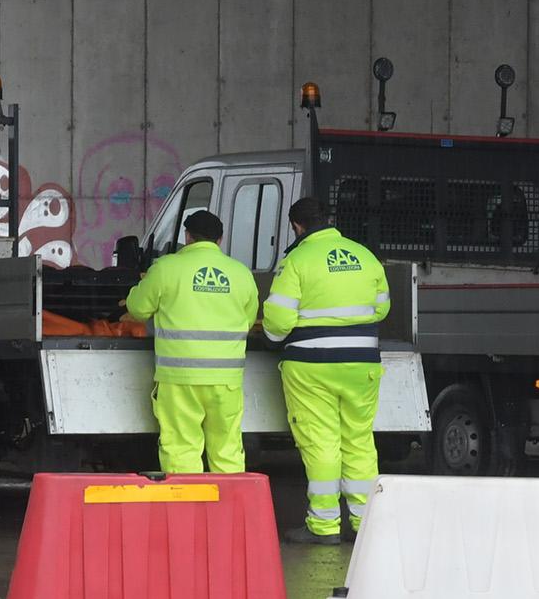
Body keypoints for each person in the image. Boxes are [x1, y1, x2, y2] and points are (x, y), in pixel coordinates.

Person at [262, 196, 390, 544]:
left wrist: (273, 335)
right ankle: (365, 525)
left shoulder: (297, 260)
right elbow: (381, 308)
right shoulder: (364, 255)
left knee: (321, 443)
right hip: (362, 363)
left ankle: (324, 525)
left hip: (311, 366)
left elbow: (277, 321)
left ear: (296, 226)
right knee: (360, 442)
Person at [123, 209, 257, 474]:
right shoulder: (241, 274)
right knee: (228, 449)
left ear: (188, 236)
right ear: (220, 240)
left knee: (182, 448)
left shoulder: (165, 269)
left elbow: (137, 309)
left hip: (179, 378)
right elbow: (250, 320)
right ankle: (228, 512)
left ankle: (188, 512)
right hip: (226, 380)